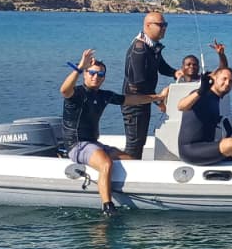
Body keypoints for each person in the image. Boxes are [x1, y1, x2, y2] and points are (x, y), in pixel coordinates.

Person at [60, 48, 168, 213]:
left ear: (104, 78)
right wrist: (80, 67)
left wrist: (158, 97)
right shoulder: (77, 94)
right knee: (106, 163)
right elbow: (64, 90)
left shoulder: (104, 95)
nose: (96, 77)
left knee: (131, 160)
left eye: (100, 74)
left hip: (94, 144)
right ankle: (107, 206)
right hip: (77, 145)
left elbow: (131, 99)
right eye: (92, 73)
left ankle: (134, 194)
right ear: (85, 74)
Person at [122, 10, 177, 159]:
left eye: (165, 24)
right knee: (135, 144)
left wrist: (176, 73)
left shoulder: (151, 45)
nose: (164, 28)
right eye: (160, 25)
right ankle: (128, 168)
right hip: (134, 103)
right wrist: (158, 100)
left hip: (143, 100)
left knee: (139, 141)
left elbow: (161, 66)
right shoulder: (139, 49)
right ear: (147, 25)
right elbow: (138, 83)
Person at [177, 67, 232, 164]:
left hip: (206, 146)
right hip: (190, 150)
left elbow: (223, 66)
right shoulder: (202, 94)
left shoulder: (216, 99)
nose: (227, 83)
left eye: (231, 81)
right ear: (215, 79)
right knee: (231, 144)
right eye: (224, 79)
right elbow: (181, 106)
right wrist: (200, 91)